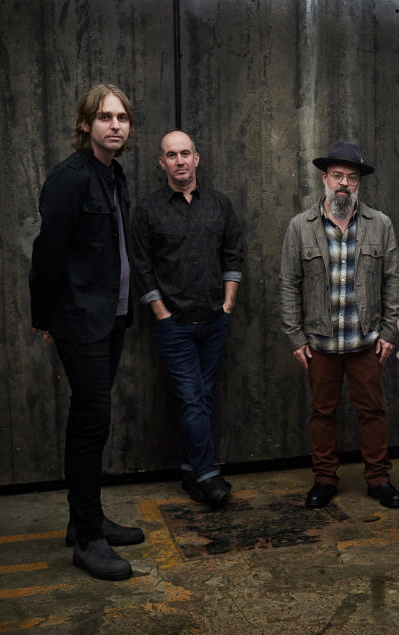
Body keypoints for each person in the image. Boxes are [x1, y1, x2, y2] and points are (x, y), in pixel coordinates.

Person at [29, 84, 145, 581]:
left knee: (91, 419)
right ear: (85, 125)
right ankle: (88, 539)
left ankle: (85, 521)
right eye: (104, 117)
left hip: (112, 317)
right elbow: (47, 255)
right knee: (92, 422)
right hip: (80, 320)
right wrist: (45, 318)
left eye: (121, 118)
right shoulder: (69, 178)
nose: (114, 125)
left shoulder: (114, 176)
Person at [280, 142, 399, 510]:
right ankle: (324, 479)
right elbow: (289, 283)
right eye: (337, 176)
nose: (344, 184)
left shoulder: (379, 224)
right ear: (325, 179)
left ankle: (379, 479)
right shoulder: (300, 227)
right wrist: (295, 336)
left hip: (366, 342)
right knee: (322, 413)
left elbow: (392, 281)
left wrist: (388, 333)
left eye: (351, 178)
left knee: (372, 412)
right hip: (320, 344)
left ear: (359, 184)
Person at [130, 130, 245, 509]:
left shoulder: (219, 205)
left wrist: (228, 302)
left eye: (185, 154)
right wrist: (160, 312)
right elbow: (142, 266)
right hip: (174, 324)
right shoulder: (148, 210)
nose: (179, 161)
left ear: (197, 158)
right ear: (161, 163)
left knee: (202, 398)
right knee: (193, 400)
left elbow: (233, 254)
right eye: (171, 155)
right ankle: (208, 476)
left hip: (215, 320)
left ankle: (189, 470)